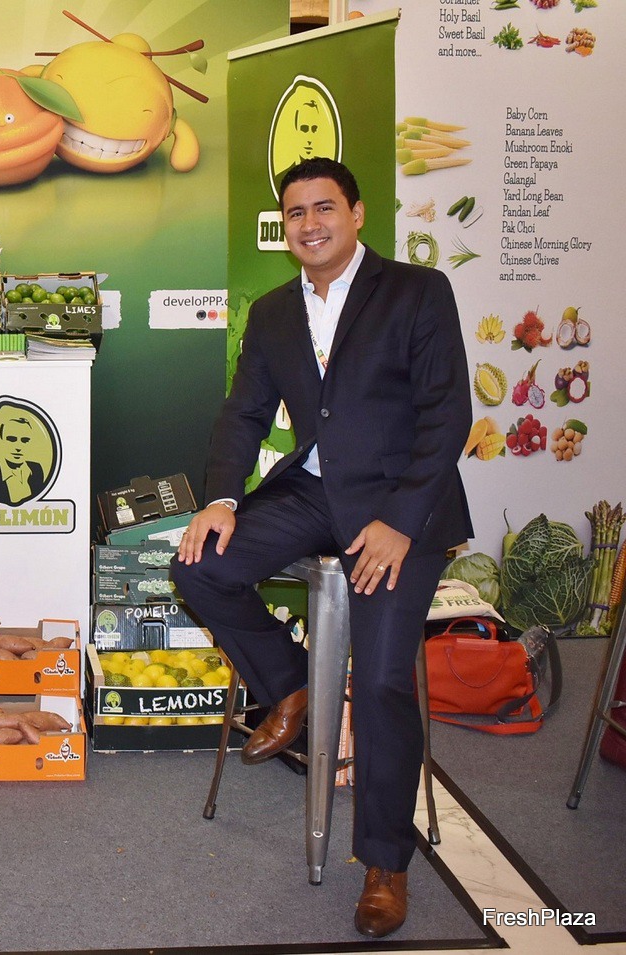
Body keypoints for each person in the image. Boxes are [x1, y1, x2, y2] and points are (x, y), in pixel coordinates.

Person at [171, 158, 471, 938]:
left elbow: (447, 414)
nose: (310, 224)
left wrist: (401, 518)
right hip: (312, 492)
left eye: (324, 207)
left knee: (380, 679)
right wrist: (221, 497)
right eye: (296, 213)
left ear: (357, 213)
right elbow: (244, 413)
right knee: (200, 565)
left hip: (400, 504)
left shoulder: (417, 291)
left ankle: (384, 863)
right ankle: (295, 685)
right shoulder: (274, 311)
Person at [0, 415, 48, 505]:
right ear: (1, 442)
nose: (18, 447)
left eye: (25, 440)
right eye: (11, 439)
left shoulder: (37, 469)